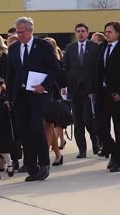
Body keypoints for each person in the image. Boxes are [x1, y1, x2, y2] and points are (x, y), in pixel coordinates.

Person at [6, 17, 59, 181]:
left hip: (38, 95)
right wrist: (9, 97)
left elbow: (55, 69)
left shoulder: (43, 46)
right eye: (17, 32)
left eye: (22, 32)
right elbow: (10, 74)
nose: (19, 35)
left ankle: (43, 164)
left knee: (36, 129)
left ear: (31, 30)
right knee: (23, 131)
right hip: (20, 96)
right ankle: (31, 167)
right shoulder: (14, 49)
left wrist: (44, 86)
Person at [97, 21, 120, 172]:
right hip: (102, 93)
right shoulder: (102, 47)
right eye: (105, 31)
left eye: (110, 32)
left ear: (118, 33)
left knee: (119, 127)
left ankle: (119, 159)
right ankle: (114, 150)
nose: (106, 34)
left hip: (117, 95)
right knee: (100, 127)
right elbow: (98, 70)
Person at [63, 23, 100, 158]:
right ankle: (82, 149)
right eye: (78, 31)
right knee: (77, 121)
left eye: (83, 31)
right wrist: (66, 85)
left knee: (88, 119)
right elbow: (65, 67)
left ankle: (95, 142)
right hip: (75, 90)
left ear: (87, 33)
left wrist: (95, 88)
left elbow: (98, 68)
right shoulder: (70, 48)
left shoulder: (95, 47)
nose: (80, 33)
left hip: (89, 90)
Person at [43, 37, 66, 166]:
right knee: (47, 127)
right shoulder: (40, 60)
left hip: (53, 96)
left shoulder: (58, 61)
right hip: (41, 94)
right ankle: (57, 154)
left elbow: (62, 80)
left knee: (48, 125)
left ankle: (45, 155)